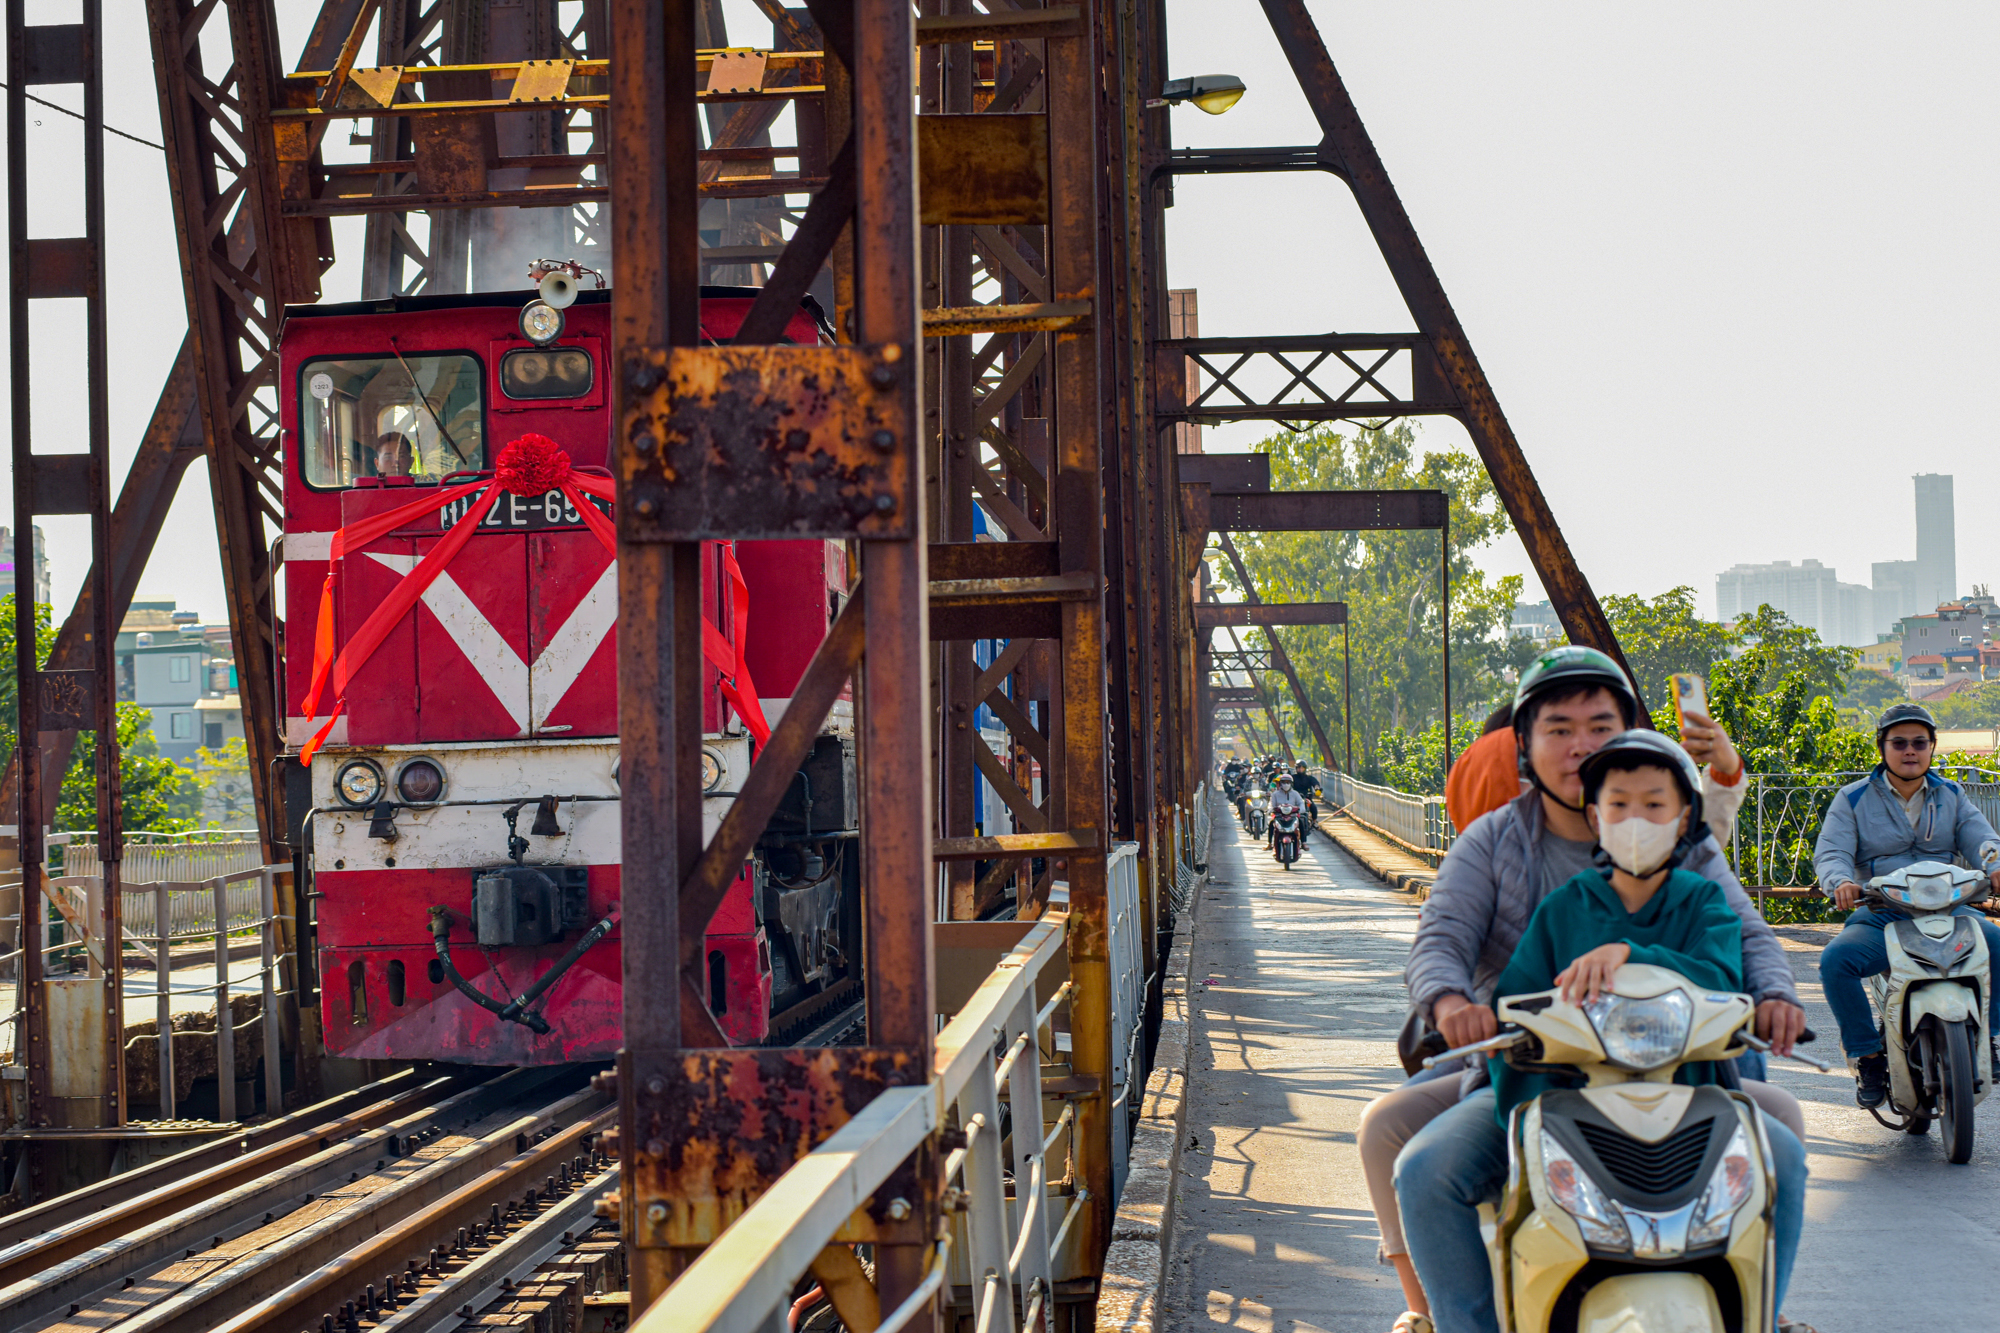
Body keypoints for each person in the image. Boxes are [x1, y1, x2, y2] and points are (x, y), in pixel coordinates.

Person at [1355, 646, 1801, 1333]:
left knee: (1786, 1153)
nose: (1579, 745)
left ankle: (1758, 1318)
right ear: (1525, 747)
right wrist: (1451, 1004)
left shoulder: (1688, 852)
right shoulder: (1494, 842)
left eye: (1599, 725)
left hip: (1681, 1075)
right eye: (1558, 728)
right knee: (1423, 1170)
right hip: (1540, 1082)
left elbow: (1747, 937)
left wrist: (1777, 997)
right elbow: (1441, 936)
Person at [1813, 700, 2000, 1107]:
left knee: (1997, 945)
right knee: (1836, 963)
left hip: (1950, 910)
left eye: (1919, 742)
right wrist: (1840, 881)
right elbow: (1831, 851)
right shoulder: (1853, 798)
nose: (1909, 751)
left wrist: (1996, 864)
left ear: (1932, 747)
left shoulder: (1952, 795)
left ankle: (1990, 1035)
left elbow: (1982, 839)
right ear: (1882, 747)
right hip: (1883, 914)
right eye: (1899, 743)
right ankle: (1867, 1056)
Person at [1266, 772, 1308, 852]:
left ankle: (1304, 842)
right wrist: (1271, 809)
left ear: (1291, 784)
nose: (1286, 784)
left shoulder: (1295, 794)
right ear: (1280, 784)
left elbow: (1300, 803)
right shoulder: (1275, 794)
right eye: (1284, 782)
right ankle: (1269, 843)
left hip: (1293, 815)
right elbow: (1271, 804)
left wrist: (1301, 809)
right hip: (1279, 816)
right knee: (1271, 823)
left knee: (1301, 822)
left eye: (1288, 783)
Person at [1290, 762, 1322, 835]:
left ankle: (1314, 822)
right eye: (1299, 768)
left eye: (1302, 768)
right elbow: (1288, 784)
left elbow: (1315, 784)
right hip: (1295, 799)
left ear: (1305, 768)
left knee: (1313, 807)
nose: (1300, 769)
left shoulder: (1309, 778)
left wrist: (1317, 789)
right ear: (1296, 768)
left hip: (1306, 798)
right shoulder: (1292, 777)